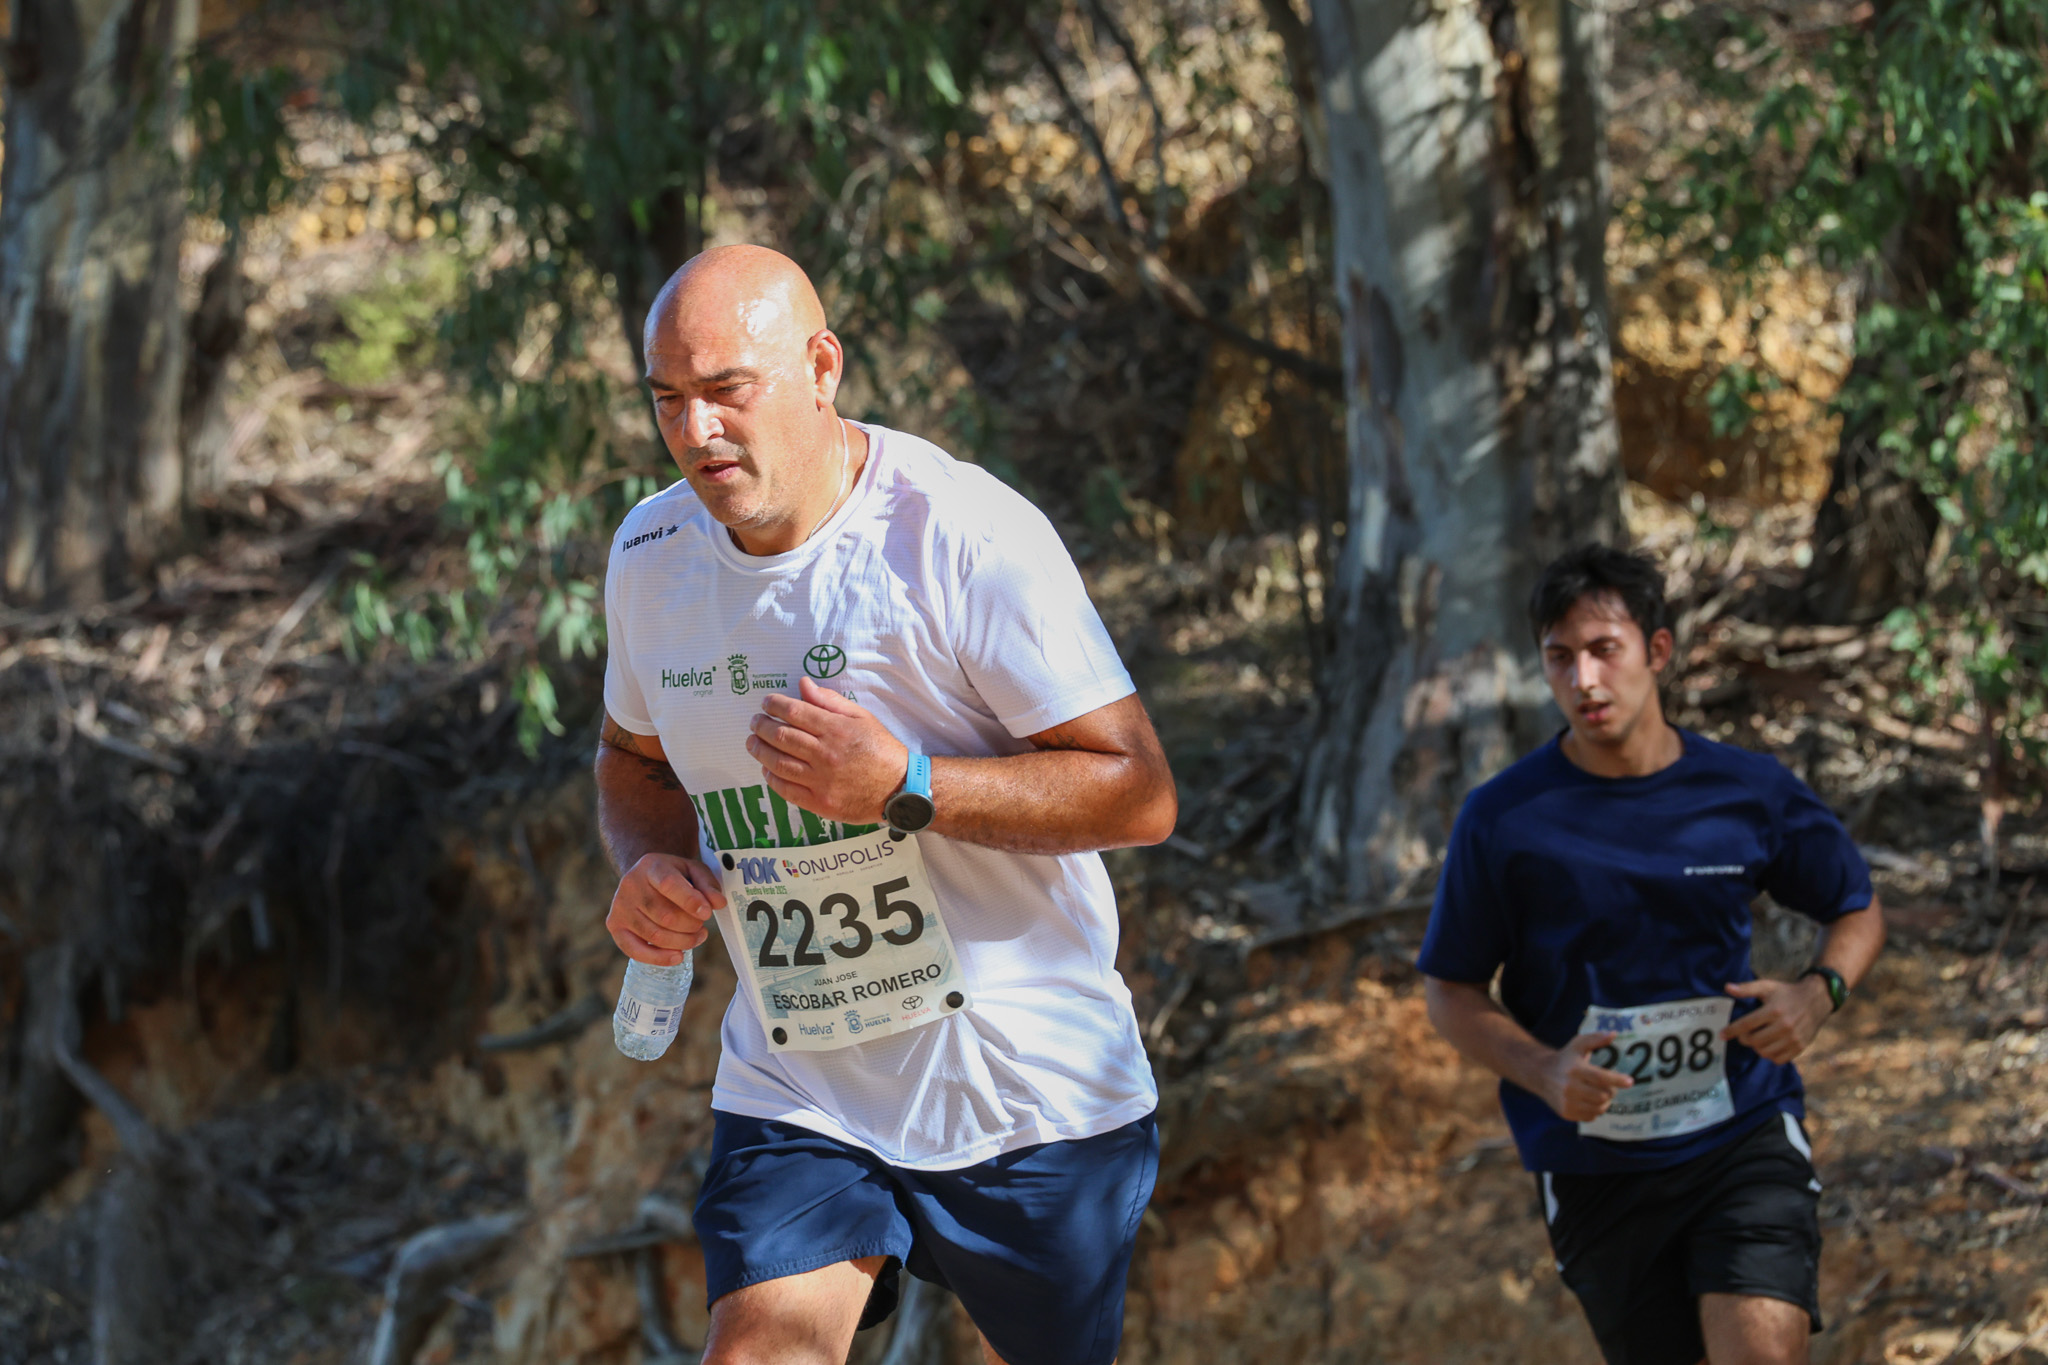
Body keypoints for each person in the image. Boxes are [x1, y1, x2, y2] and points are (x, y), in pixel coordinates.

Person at [594, 244, 1176, 1365]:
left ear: (821, 367)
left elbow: (1139, 793)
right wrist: (648, 862)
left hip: (1025, 1086)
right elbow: (634, 761)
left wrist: (906, 787)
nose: (696, 430)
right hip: (802, 1078)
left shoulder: (960, 535)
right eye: (667, 399)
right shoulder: (652, 552)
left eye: (727, 390)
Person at [1416, 544, 1887, 1365]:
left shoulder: (1746, 791)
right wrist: (1545, 1071)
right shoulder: (1505, 818)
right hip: (1595, 1164)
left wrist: (1820, 992)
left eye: (1606, 649)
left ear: (1658, 649)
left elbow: (1856, 906)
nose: (1584, 679)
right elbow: (1449, 988)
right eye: (1560, 657)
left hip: (1742, 1129)